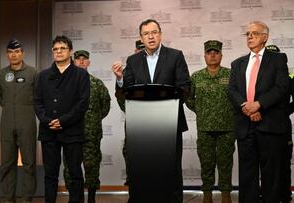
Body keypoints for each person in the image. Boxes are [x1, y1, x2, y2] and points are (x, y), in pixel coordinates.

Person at [112, 18, 191, 203]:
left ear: (160, 34)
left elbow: (185, 87)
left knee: (171, 171)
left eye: (154, 32)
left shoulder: (175, 56)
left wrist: (167, 106)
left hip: (169, 123)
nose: (151, 36)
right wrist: (120, 78)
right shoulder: (132, 60)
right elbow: (126, 92)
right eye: (146, 33)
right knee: (142, 171)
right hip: (140, 126)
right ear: (141, 37)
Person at [228, 21, 290, 203]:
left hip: (269, 124)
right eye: (247, 34)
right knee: (247, 174)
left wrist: (259, 104)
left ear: (265, 37)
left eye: (254, 33)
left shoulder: (278, 59)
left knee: (271, 174)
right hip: (245, 125)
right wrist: (246, 107)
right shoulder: (237, 63)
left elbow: (282, 87)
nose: (250, 36)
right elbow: (232, 90)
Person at [34, 35, 90, 203]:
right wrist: (47, 120)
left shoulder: (80, 75)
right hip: (48, 130)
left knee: (74, 173)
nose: (58, 52)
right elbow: (37, 102)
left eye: (62, 48)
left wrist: (63, 120)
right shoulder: (43, 75)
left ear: (70, 51)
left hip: (72, 130)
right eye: (55, 49)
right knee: (50, 174)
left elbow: (82, 103)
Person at [186, 40, 235, 203]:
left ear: (221, 55)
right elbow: (189, 98)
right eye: (209, 52)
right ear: (205, 55)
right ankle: (207, 194)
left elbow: (238, 98)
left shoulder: (231, 74)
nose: (212, 55)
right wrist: (201, 110)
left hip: (227, 127)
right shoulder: (196, 76)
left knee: (225, 163)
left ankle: (226, 194)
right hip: (205, 127)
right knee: (206, 163)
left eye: (216, 52)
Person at [63, 50, 111, 203]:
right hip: (70, 133)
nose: (81, 62)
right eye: (78, 59)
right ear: (73, 61)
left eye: (84, 59)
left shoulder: (97, 84)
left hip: (91, 134)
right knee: (70, 167)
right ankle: (74, 198)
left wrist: (93, 120)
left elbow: (105, 107)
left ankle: (91, 198)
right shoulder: (65, 84)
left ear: (89, 62)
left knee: (92, 167)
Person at [0, 39, 38, 203]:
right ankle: (8, 197)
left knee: (29, 162)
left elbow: (38, 96)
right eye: (11, 52)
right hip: (6, 121)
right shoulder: (1, 74)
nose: (14, 55)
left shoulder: (33, 73)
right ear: (7, 54)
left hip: (26, 120)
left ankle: (27, 198)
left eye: (17, 51)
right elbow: (0, 97)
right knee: (7, 162)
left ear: (23, 53)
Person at [114, 40, 146, 188]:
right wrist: (120, 79)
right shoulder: (128, 71)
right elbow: (121, 98)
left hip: (158, 120)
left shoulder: (156, 67)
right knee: (131, 153)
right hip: (134, 119)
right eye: (139, 50)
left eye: (143, 50)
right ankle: (134, 190)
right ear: (135, 51)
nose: (141, 52)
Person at [265, 44, 293, 203]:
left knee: (283, 162)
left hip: (282, 126)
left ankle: (285, 195)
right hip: (262, 124)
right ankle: (268, 194)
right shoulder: (259, 78)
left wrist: (283, 112)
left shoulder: (289, 79)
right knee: (267, 162)